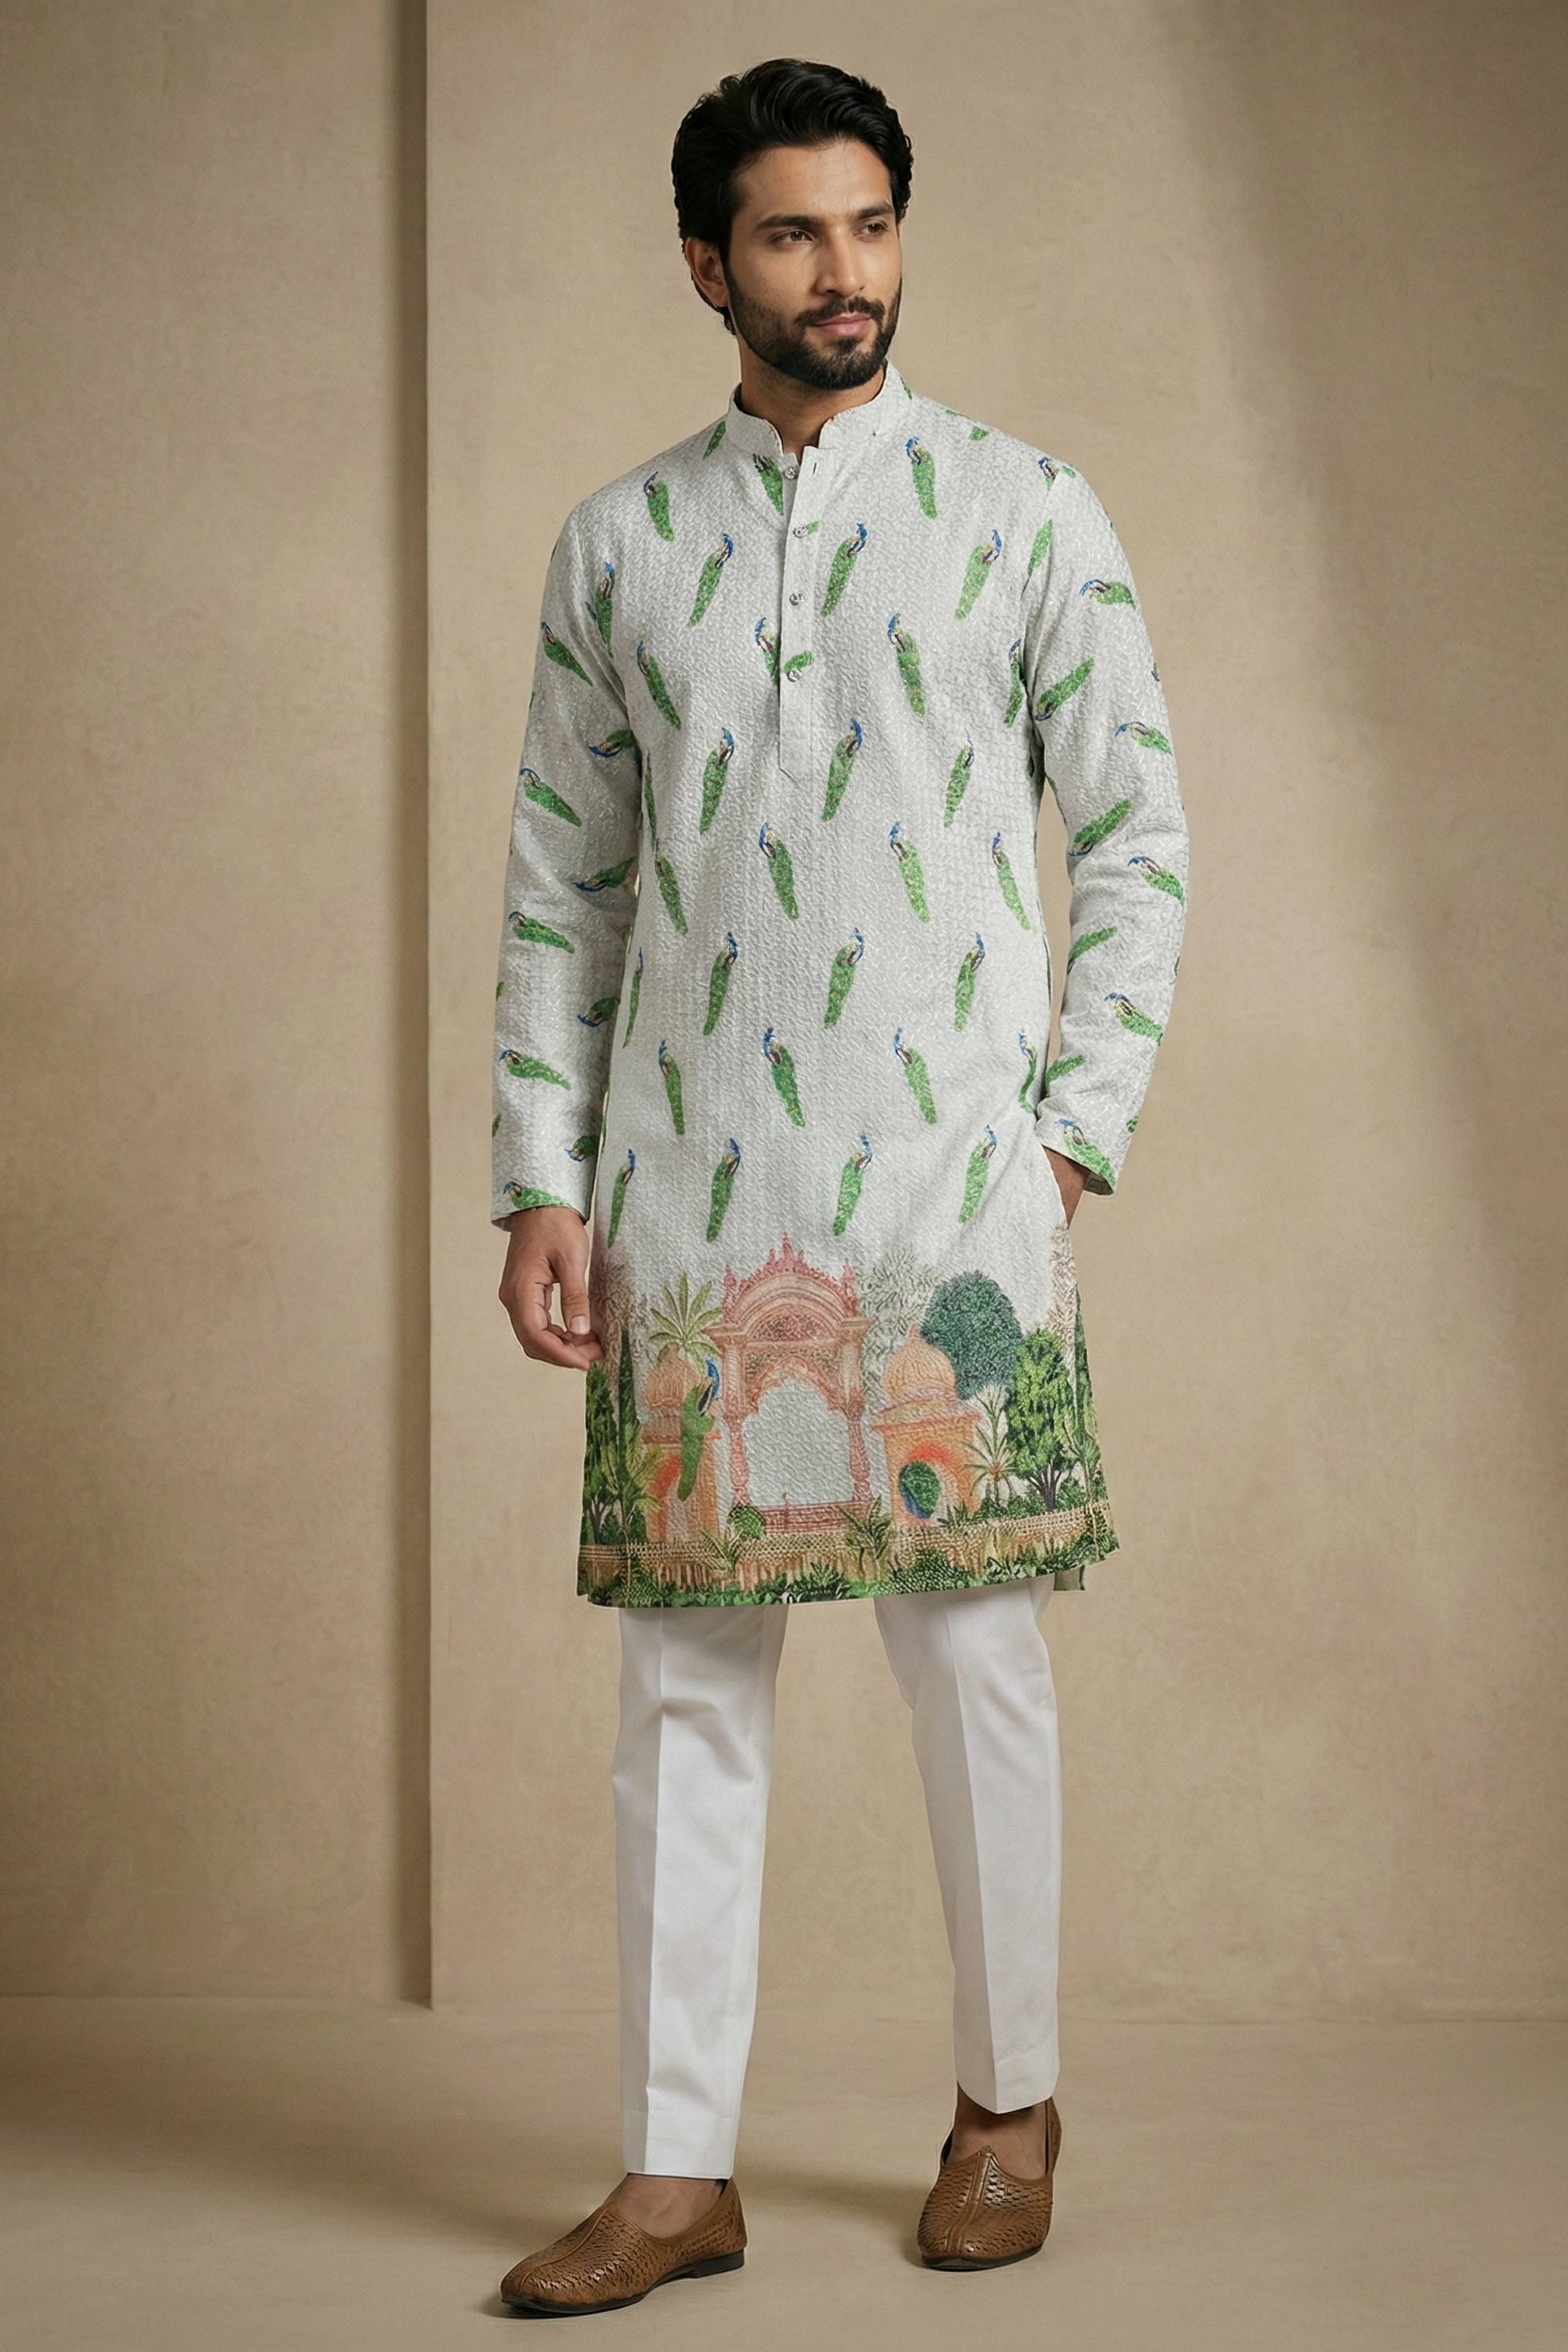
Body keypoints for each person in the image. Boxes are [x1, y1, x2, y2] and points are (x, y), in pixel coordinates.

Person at [492, 55, 1188, 2316]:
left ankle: (1009, 2110)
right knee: (686, 1687)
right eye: (794, 234)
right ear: (710, 267)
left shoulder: (1026, 510)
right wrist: (542, 1177)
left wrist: (1072, 1124)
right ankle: (673, 2173)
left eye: (871, 224)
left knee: (974, 1658)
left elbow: (1141, 833)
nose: (845, 272)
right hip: (696, 1203)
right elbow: (563, 890)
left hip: (955, 1198)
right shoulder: (619, 546)